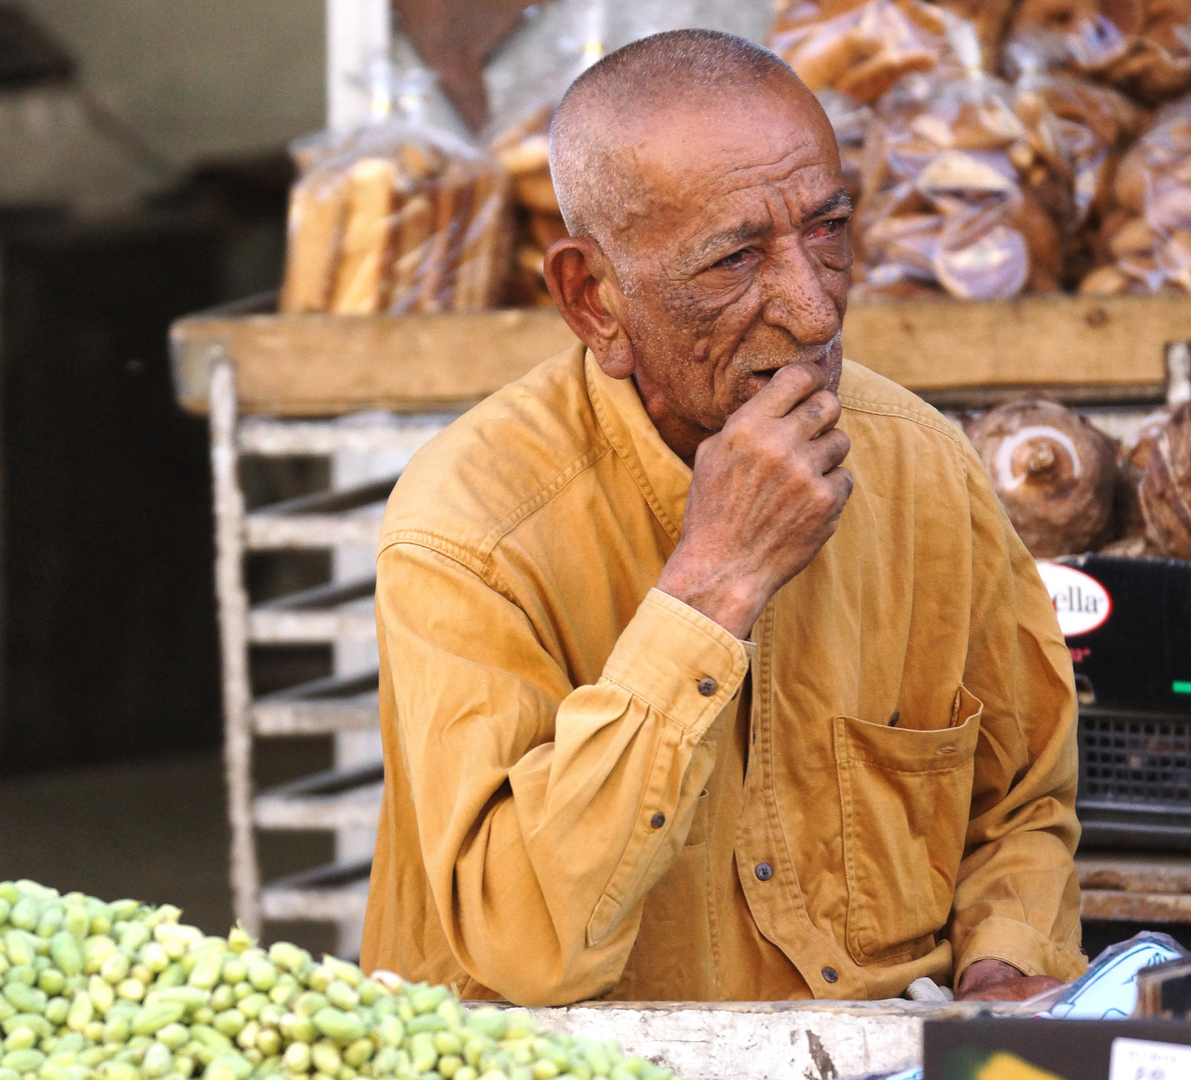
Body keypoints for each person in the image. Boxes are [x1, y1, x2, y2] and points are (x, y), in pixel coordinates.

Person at [360, 28, 1085, 1006]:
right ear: (594, 300)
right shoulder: (470, 531)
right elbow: (526, 946)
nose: (814, 311)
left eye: (827, 231)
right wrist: (713, 587)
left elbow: (1022, 800)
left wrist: (1005, 961)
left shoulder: (923, 469)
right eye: (736, 259)